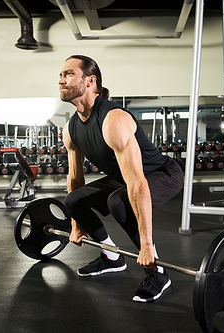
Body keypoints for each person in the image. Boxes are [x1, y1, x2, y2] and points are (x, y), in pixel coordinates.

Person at [59, 55, 184, 302]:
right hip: (124, 178)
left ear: (90, 80)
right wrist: (76, 223)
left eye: (68, 74)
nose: (61, 80)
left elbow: (137, 183)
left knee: (120, 201)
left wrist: (147, 243)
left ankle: (157, 272)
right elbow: (75, 177)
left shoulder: (113, 119)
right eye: (60, 75)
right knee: (74, 201)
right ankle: (111, 256)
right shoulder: (71, 128)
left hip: (162, 174)